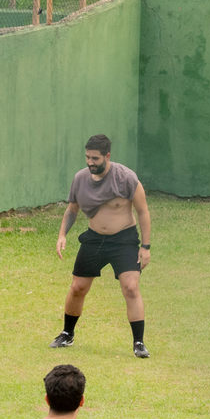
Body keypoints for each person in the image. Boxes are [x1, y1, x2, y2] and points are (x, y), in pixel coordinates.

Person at [50, 134, 153, 358]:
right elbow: (72, 210)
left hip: (124, 240)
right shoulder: (80, 179)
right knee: (78, 287)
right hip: (94, 239)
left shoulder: (126, 178)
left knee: (131, 287)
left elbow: (143, 211)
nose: (90, 162)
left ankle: (138, 343)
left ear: (107, 156)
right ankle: (67, 334)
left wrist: (145, 247)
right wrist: (62, 235)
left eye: (95, 158)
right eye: (87, 157)